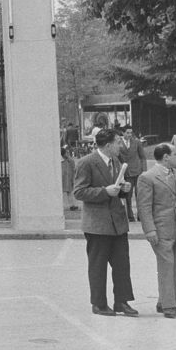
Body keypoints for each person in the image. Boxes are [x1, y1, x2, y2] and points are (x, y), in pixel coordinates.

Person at [73, 128, 137, 317]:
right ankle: (99, 304)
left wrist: (124, 189)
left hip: (118, 223)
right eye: (117, 142)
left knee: (122, 264)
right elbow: (79, 191)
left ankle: (122, 302)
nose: (120, 145)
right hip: (97, 225)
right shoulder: (86, 162)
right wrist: (104, 192)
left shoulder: (116, 161)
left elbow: (118, 189)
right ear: (108, 145)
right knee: (98, 266)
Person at [136, 143, 176, 318]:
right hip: (162, 230)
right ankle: (169, 306)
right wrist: (149, 230)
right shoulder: (147, 177)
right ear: (166, 157)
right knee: (166, 267)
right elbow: (144, 207)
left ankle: (167, 301)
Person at [118, 126, 147, 221]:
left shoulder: (137, 142)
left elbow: (143, 157)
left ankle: (140, 215)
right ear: (122, 133)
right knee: (128, 195)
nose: (130, 135)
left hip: (138, 172)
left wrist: (144, 171)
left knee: (140, 194)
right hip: (126, 173)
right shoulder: (118, 143)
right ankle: (130, 216)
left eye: (131, 132)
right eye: (127, 133)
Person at [61, 142, 77, 211]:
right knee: (65, 193)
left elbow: (73, 168)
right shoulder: (61, 161)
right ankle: (61, 206)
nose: (67, 154)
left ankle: (72, 205)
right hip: (63, 179)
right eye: (66, 153)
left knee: (69, 192)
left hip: (68, 178)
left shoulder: (69, 160)